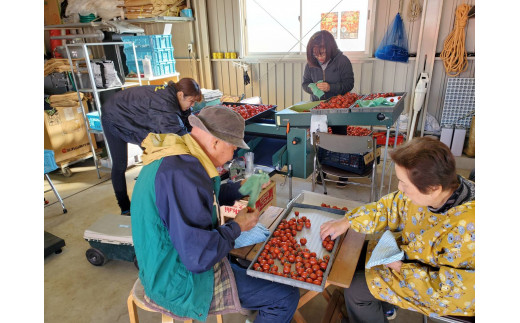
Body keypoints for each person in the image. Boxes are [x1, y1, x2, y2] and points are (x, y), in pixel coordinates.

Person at [130, 106, 300, 322]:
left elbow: (200, 198)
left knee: (251, 264)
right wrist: (237, 227)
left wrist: (240, 188)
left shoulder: (179, 157)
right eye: (233, 148)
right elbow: (199, 257)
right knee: (284, 296)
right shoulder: (183, 174)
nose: (234, 155)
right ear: (215, 142)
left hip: (165, 261)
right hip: (179, 281)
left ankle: (253, 302)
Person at [320, 137, 475, 322]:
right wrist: (348, 221)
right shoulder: (437, 187)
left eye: (404, 184)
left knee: (355, 290)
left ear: (433, 188)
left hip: (435, 290)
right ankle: (385, 307)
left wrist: (402, 269)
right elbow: (389, 207)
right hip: (411, 257)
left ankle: (369, 307)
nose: (399, 189)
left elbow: (455, 292)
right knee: (353, 257)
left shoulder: (469, 228)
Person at [100, 78, 202, 215]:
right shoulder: (166, 105)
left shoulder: (176, 97)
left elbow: (187, 124)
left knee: (154, 156)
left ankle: (159, 199)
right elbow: (180, 135)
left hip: (133, 115)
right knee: (120, 164)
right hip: (113, 115)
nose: (192, 105)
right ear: (180, 95)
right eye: (191, 101)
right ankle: (124, 207)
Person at [302, 30, 355, 186]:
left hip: (339, 108)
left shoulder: (342, 61)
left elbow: (349, 84)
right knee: (320, 139)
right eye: (316, 54)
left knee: (340, 139)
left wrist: (330, 87)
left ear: (330, 48)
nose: (319, 57)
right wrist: (312, 89)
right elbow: (305, 83)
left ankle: (343, 173)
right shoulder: (310, 64)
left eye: (322, 53)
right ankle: (322, 171)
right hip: (318, 107)